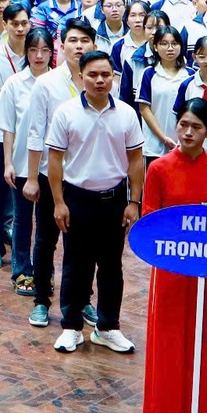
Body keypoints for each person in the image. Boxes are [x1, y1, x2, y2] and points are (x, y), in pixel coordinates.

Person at [139, 97, 207, 413]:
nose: (188, 132)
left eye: (196, 127)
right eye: (183, 125)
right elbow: (149, 221)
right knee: (168, 339)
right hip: (169, 270)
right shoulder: (159, 169)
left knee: (204, 341)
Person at [45, 49, 144, 353]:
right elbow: (55, 160)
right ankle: (72, 326)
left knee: (112, 266)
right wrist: (59, 202)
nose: (100, 80)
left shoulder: (127, 113)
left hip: (114, 200)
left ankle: (108, 327)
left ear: (114, 77)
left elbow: (136, 159)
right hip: (77, 199)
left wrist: (134, 201)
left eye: (105, 74)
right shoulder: (66, 112)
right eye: (93, 75)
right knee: (76, 265)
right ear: (80, 78)